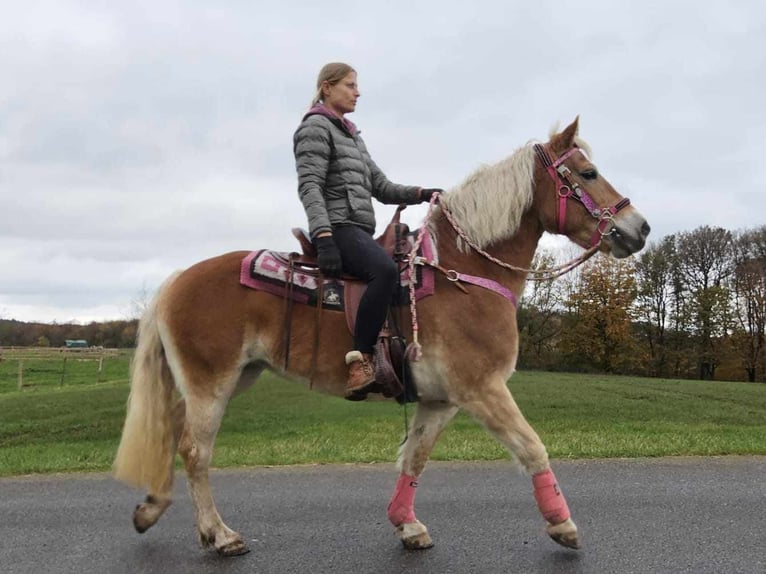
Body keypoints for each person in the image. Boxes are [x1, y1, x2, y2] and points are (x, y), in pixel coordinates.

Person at [293, 62, 442, 401]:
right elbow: (311, 186)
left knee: (404, 271)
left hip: (359, 227)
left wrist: (421, 193)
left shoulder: (351, 135)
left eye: (356, 85)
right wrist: (325, 236)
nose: (357, 92)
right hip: (338, 227)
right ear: (327, 88)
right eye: (349, 85)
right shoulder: (316, 127)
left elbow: (381, 186)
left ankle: (398, 363)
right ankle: (359, 362)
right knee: (384, 271)